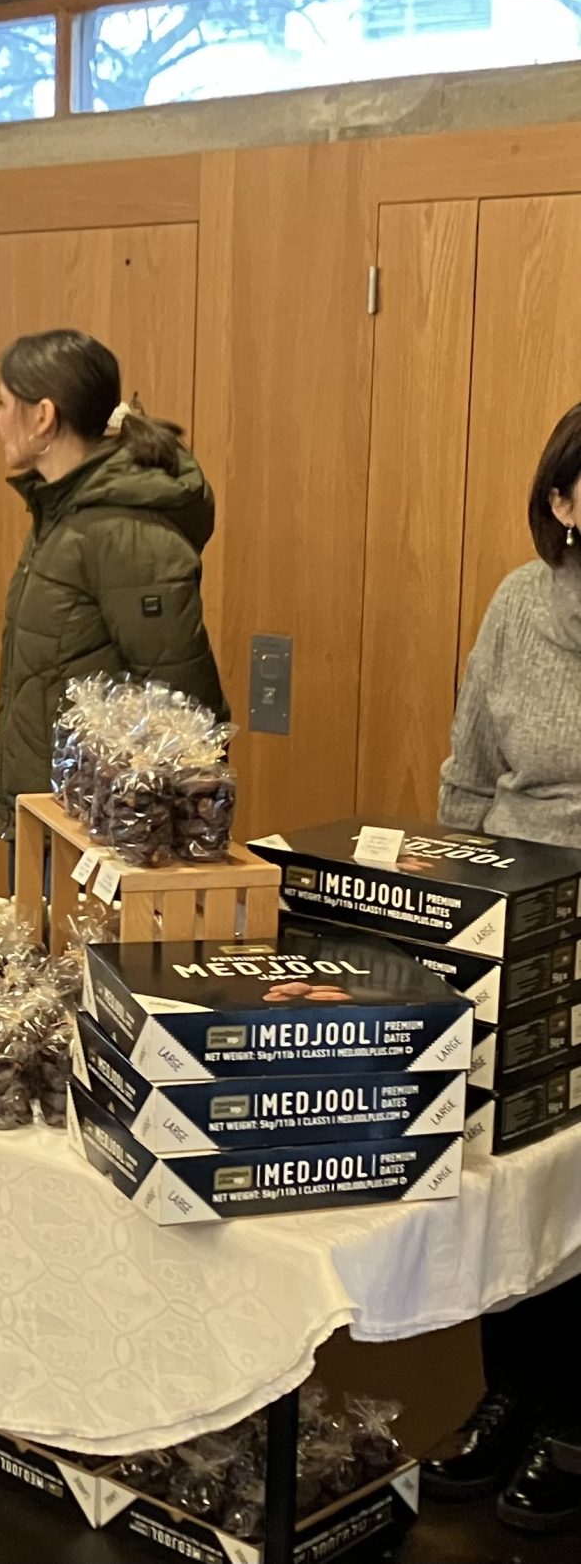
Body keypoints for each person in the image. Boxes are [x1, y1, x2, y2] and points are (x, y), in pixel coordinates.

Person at [425, 401, 581, 1536]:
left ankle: (576, 1420)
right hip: (520, 924)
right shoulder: (517, 607)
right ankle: (510, 1394)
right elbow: (471, 776)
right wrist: (454, 915)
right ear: (563, 502)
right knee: (510, 1163)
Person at [0, 328, 225, 839]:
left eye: (5, 404)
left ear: (44, 416)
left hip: (105, 834)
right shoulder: (61, 513)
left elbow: (186, 707)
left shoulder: (123, 532)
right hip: (51, 816)